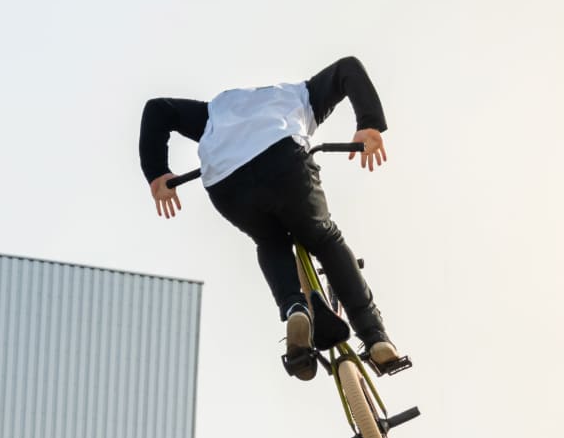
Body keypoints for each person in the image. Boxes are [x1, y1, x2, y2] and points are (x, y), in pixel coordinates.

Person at [138, 56, 402, 381]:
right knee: (323, 237)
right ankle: (375, 337)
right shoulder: (302, 95)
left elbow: (158, 108)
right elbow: (348, 67)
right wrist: (369, 123)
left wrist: (157, 173)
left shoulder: (214, 112)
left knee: (270, 239)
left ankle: (295, 308)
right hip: (284, 164)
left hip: (227, 183)